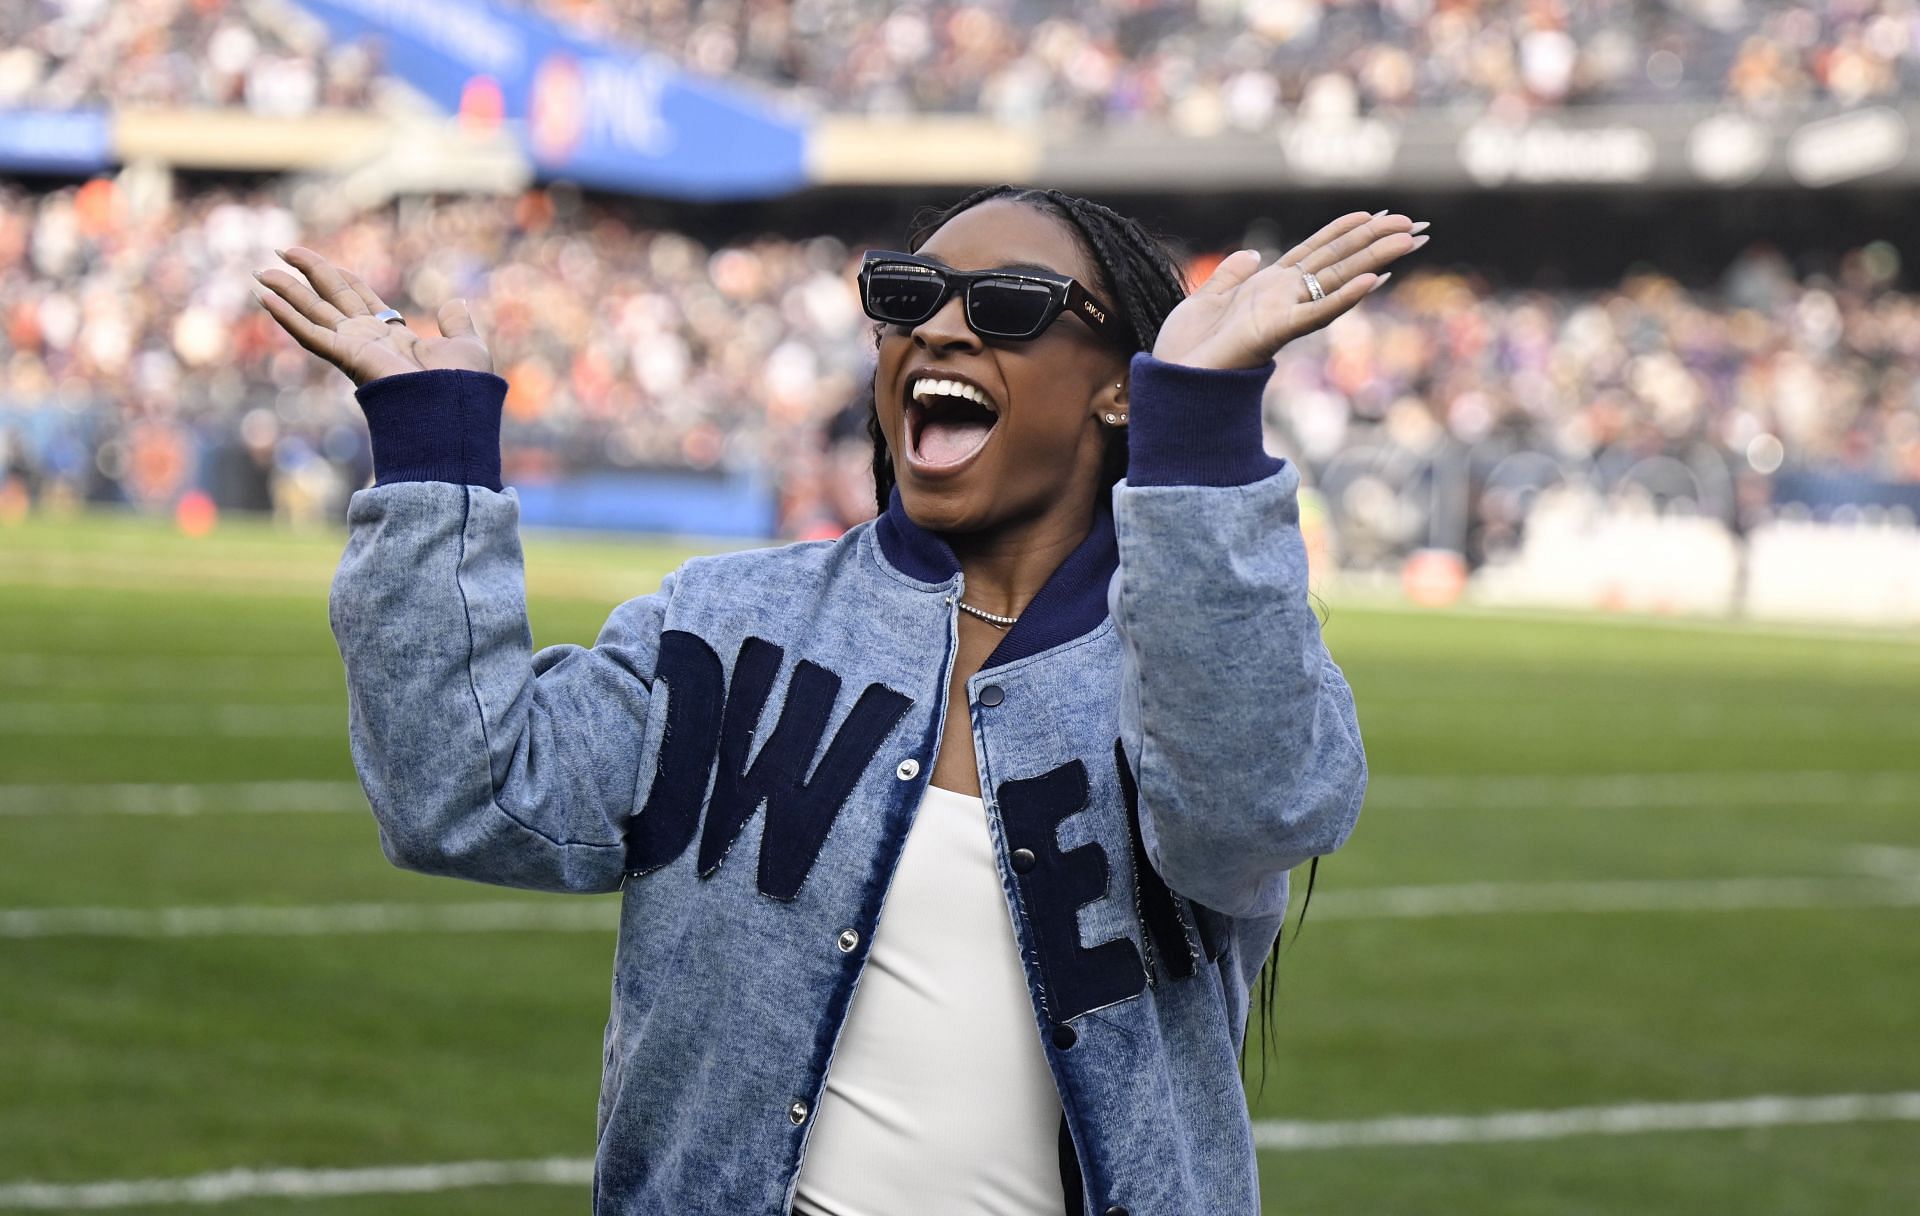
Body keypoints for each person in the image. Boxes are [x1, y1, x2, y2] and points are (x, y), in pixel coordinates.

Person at [254, 186, 1424, 1216]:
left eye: (1010, 303)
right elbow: (463, 792)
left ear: (1119, 389)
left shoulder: (1193, 664)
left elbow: (1257, 813)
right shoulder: (724, 621)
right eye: (907, 293)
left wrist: (1205, 434)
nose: (942, 325)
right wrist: (429, 456)